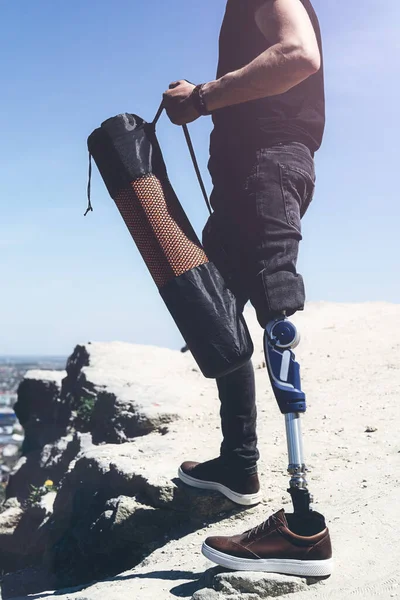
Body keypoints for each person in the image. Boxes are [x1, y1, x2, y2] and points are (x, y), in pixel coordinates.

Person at [163, 0, 332, 575]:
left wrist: (203, 97)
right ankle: (239, 465)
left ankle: (304, 528)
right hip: (239, 181)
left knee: (277, 315)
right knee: (218, 316)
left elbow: (297, 56)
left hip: (268, 168)